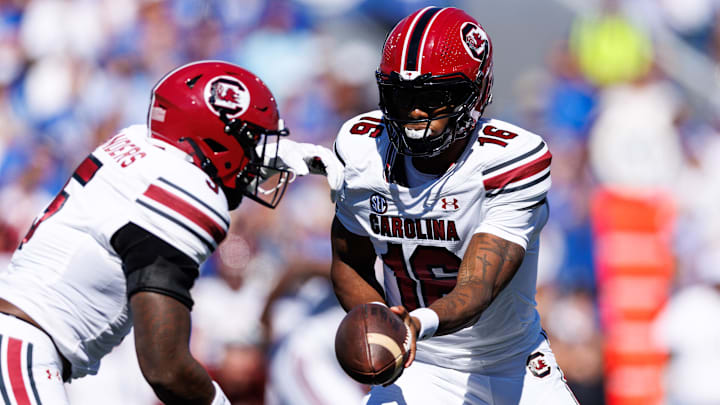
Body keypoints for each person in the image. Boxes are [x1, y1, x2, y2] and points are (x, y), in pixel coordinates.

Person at [0, 60, 342, 405]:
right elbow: (167, 368)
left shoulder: (136, 141)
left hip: (21, 342)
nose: (258, 158)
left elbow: (197, 145)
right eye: (252, 140)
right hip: (23, 350)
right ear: (219, 141)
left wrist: (285, 153)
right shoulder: (188, 193)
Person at [330, 7, 578, 405]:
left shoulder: (510, 159)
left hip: (512, 366)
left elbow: (478, 288)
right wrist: (382, 324)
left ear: (474, 93)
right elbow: (348, 260)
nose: (414, 112)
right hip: (422, 366)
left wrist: (415, 324)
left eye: (432, 98)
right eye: (402, 95)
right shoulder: (362, 150)